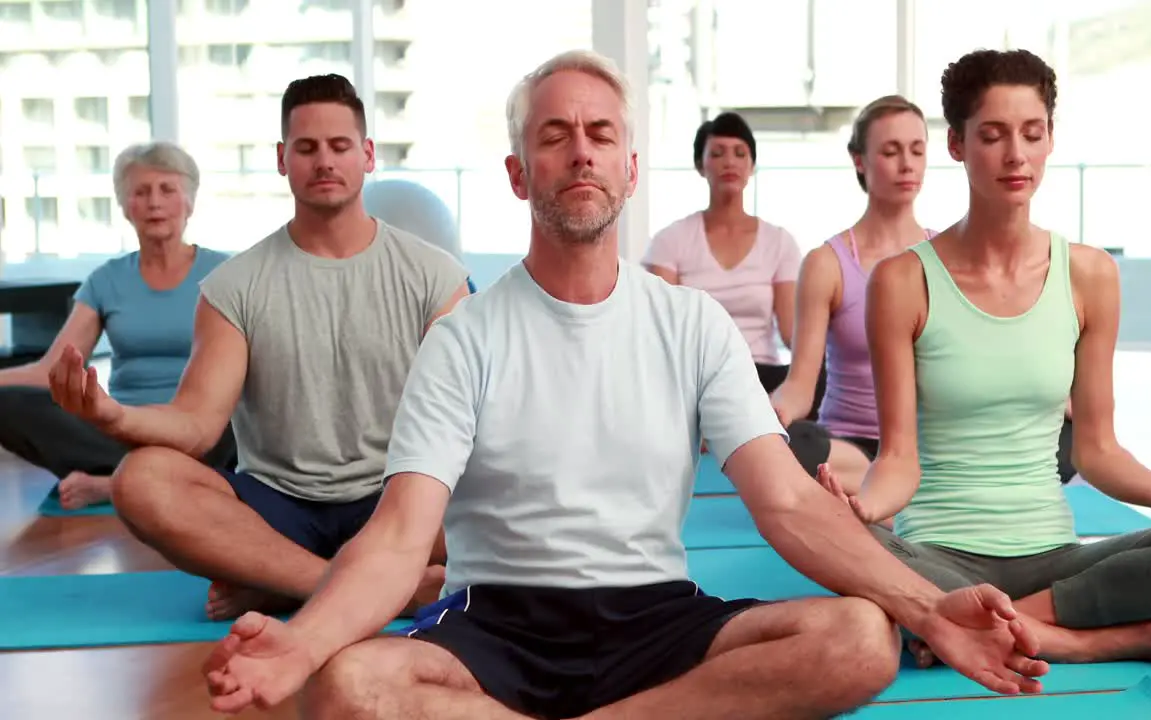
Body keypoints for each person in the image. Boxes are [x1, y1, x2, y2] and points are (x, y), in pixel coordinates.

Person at [200, 50, 1049, 720]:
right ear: (517, 172)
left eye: (601, 134)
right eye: (555, 134)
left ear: (631, 168)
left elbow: (788, 504)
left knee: (862, 637)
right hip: (497, 623)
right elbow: (396, 540)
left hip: (655, 619)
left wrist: (927, 609)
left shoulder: (692, 325)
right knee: (347, 687)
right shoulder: (463, 339)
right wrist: (301, 642)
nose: (580, 151)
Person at [825, 48, 1151, 669]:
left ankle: (968, 626)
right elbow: (898, 459)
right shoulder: (902, 281)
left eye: (1032, 134)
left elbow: (1098, 451)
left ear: (1050, 139)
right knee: (840, 544)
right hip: (938, 555)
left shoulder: (1089, 274)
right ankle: (1077, 641)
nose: (1016, 155)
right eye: (993, 136)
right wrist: (861, 511)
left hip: (1057, 561)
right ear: (956, 145)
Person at [48, 73, 470, 622]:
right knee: (140, 480)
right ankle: (350, 584)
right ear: (282, 158)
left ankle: (274, 579)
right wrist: (111, 414)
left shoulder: (434, 276)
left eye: (340, 146)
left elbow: (463, 420)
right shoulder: (235, 285)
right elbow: (198, 426)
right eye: (307, 148)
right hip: (278, 505)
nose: (324, 161)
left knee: (490, 482)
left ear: (367, 155)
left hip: (395, 501)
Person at [0, 142, 235, 510]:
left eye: (167, 189)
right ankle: (143, 476)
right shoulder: (106, 281)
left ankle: (115, 484)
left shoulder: (227, 274)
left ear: (189, 201)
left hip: (202, 432)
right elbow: (51, 370)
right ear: (125, 207)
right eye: (141, 192)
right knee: (6, 403)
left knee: (243, 422)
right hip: (123, 428)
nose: (154, 202)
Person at [771, 95, 936, 490]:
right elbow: (800, 385)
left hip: (928, 446)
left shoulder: (950, 256)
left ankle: (887, 493)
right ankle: (893, 492)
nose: (907, 164)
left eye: (917, 150)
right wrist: (769, 415)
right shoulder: (826, 263)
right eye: (891, 151)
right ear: (859, 160)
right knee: (794, 446)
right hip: (849, 450)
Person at [643, 112, 820, 414]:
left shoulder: (779, 241)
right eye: (717, 153)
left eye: (740, 154)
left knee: (818, 373)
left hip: (761, 375)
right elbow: (662, 330)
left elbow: (792, 332)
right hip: (697, 375)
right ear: (701, 165)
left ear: (751, 166)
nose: (730, 162)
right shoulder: (670, 240)